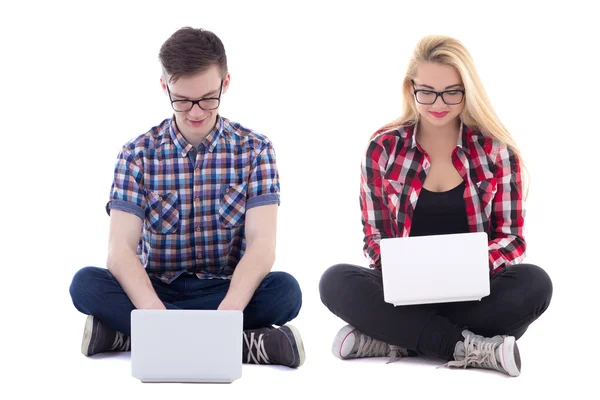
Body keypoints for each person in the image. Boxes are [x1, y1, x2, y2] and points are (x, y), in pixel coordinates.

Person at [69, 27, 304, 368]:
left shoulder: (255, 150)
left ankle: (131, 337)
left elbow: (262, 244)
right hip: (153, 291)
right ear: (164, 87)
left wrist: (230, 309)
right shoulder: (136, 154)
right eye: (182, 100)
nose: (196, 112)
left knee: (286, 292)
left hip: (224, 291)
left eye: (208, 98)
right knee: (85, 285)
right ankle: (239, 343)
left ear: (225, 83)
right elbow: (120, 251)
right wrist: (152, 312)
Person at [318, 34, 552, 377]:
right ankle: (469, 346)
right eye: (426, 91)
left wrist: (466, 269)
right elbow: (375, 236)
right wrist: (408, 271)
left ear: (467, 90)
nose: (437, 102)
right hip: (403, 295)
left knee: (535, 283)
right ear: (410, 88)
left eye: (451, 91)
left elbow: (511, 238)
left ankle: (395, 337)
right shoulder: (382, 149)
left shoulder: (497, 152)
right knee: (334, 281)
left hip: (476, 295)